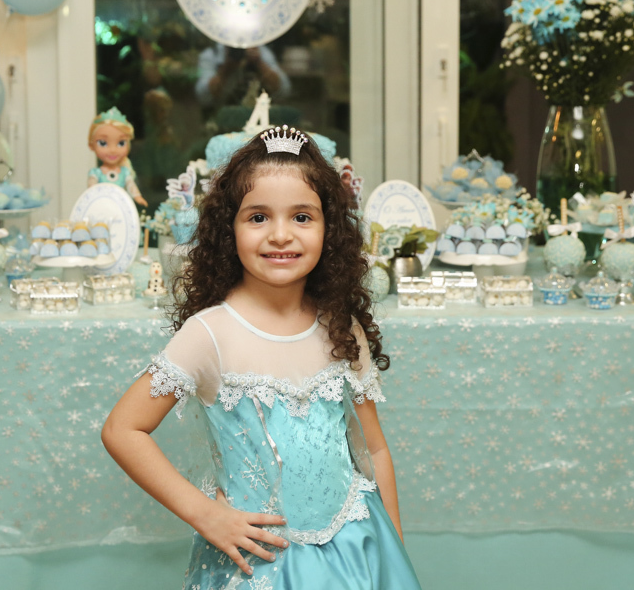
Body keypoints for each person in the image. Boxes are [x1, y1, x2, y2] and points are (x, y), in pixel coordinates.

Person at [102, 127, 421, 589]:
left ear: (329, 230)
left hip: (357, 554)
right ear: (228, 229)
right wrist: (205, 514)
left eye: (302, 217)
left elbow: (373, 449)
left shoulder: (342, 327)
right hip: (260, 566)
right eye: (258, 217)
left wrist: (394, 553)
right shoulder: (209, 334)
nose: (280, 235)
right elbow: (122, 429)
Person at [195, 44, 291, 107]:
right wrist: (226, 69)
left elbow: (284, 90)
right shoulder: (212, 54)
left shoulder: (262, 52)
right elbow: (203, 97)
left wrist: (259, 63)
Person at [87, 107, 147, 206]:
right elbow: (91, 191)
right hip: (102, 206)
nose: (113, 150)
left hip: (120, 206)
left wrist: (137, 197)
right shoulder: (96, 173)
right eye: (103, 143)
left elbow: (131, 185)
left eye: (121, 143)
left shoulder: (124, 172)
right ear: (91, 145)